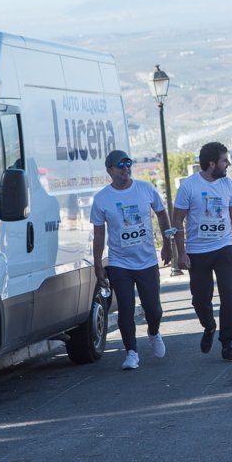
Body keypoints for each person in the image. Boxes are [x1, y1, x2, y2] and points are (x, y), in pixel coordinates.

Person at [90, 150, 171, 370]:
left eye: (128, 163)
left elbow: (162, 214)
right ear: (110, 170)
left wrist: (167, 243)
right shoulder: (102, 199)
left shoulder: (145, 189)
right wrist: (98, 264)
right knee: (125, 308)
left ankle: (153, 333)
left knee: (153, 309)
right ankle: (132, 352)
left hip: (146, 261)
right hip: (120, 263)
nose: (126, 168)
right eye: (120, 165)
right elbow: (99, 235)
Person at [173, 142, 232, 362]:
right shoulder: (189, 186)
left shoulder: (228, 184)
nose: (228, 164)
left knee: (230, 297)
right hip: (197, 252)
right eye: (225, 160)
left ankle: (227, 344)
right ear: (212, 163)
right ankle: (209, 325)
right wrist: (181, 252)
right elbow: (177, 219)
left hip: (224, 247)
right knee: (200, 299)